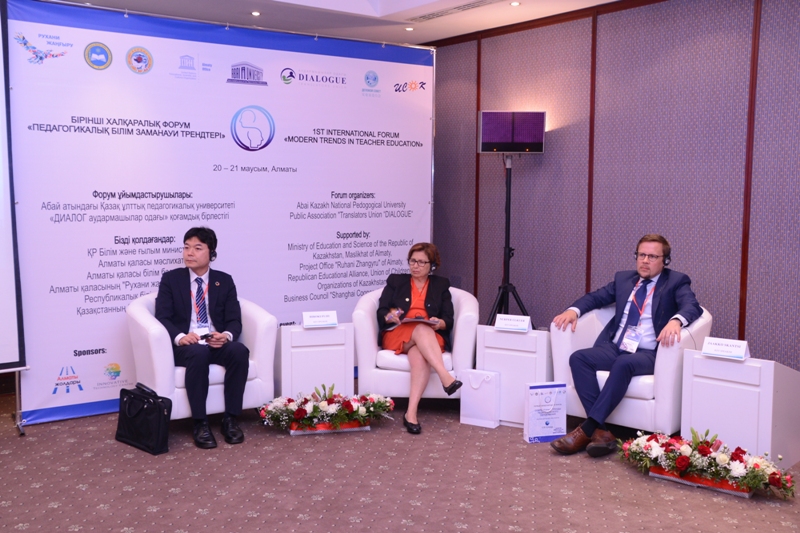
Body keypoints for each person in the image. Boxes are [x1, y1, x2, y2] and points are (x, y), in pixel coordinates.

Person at [550, 234, 702, 457]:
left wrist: (676, 320)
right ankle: (601, 432)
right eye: (641, 255)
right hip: (616, 346)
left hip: (648, 352)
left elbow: (692, 306)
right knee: (579, 358)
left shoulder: (676, 281)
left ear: (665, 261)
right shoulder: (623, 280)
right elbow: (595, 298)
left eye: (652, 256)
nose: (645, 261)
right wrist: (573, 311)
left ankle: (586, 429)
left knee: (623, 363)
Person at [155, 227, 249, 449]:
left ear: (211, 252)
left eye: (197, 248)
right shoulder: (171, 280)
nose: (189, 253)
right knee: (198, 353)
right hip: (187, 346)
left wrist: (225, 336)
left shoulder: (224, 281)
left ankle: (230, 419)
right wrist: (180, 337)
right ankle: (200, 423)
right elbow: (162, 317)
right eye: (186, 247)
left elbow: (234, 320)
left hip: (213, 341)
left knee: (239, 351)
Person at [377, 242, 462, 434]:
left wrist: (439, 323)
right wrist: (392, 315)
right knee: (421, 329)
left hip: (429, 337)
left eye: (421, 262)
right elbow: (382, 311)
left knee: (419, 353)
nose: (415, 266)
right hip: (399, 333)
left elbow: (448, 319)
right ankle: (446, 377)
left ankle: (411, 413)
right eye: (412, 261)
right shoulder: (396, 281)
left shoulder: (441, 285)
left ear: (432, 265)